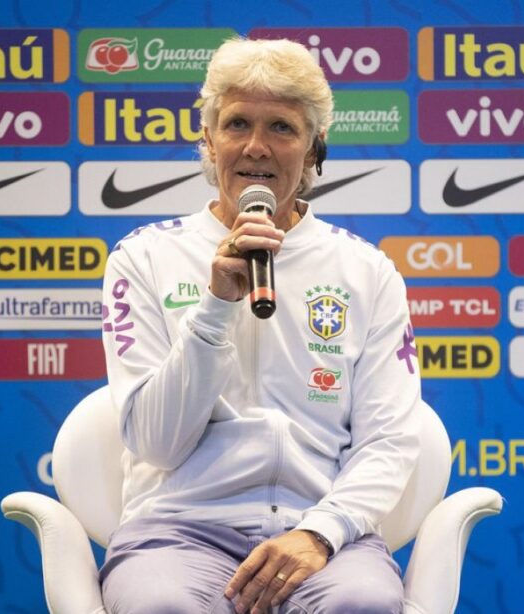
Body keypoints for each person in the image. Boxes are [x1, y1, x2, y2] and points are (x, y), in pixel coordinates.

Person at [99, 37, 422, 614]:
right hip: (178, 530)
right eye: (237, 123)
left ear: (314, 149)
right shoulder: (142, 256)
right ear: (208, 140)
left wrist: (321, 532)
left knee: (364, 604)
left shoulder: (368, 271)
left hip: (321, 529)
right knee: (160, 607)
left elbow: (390, 439)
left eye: (281, 128)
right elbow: (154, 441)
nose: (256, 146)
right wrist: (216, 305)